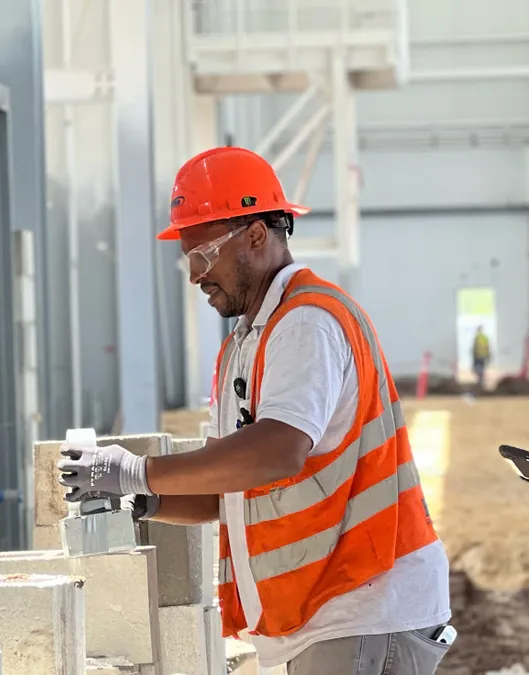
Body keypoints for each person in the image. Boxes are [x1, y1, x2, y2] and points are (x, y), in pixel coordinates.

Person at [57, 147, 453, 675]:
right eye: (188, 259)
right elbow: (234, 484)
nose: (195, 275)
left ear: (257, 236)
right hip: (323, 614)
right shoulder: (249, 340)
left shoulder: (306, 323)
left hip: (364, 605)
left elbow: (277, 451)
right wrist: (138, 499)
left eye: (203, 255)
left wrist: (138, 470)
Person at [471, 325, 491, 390]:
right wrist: (488, 355)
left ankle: (480, 380)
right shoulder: (485, 338)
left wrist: (473, 355)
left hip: (478, 356)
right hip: (484, 356)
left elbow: (474, 347)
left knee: (477, 368)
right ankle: (481, 380)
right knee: (481, 368)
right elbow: (488, 347)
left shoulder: (477, 337)